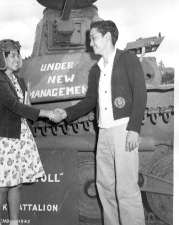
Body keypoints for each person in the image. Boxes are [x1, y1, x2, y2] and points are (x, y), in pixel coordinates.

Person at [54, 20, 147, 225]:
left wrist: (134, 129)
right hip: (103, 133)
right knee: (104, 187)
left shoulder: (127, 59)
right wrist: (66, 113)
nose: (90, 43)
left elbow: (140, 94)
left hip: (123, 129)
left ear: (107, 37)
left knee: (126, 188)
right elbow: (90, 101)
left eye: (93, 37)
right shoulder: (95, 70)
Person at [0, 39, 59, 225]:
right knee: (2, 186)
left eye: (18, 54)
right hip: (5, 137)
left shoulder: (19, 80)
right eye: (12, 55)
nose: (17, 58)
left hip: (22, 135)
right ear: (0, 58)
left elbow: (26, 105)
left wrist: (37, 112)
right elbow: (14, 106)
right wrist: (47, 114)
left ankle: (14, 223)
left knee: (17, 184)